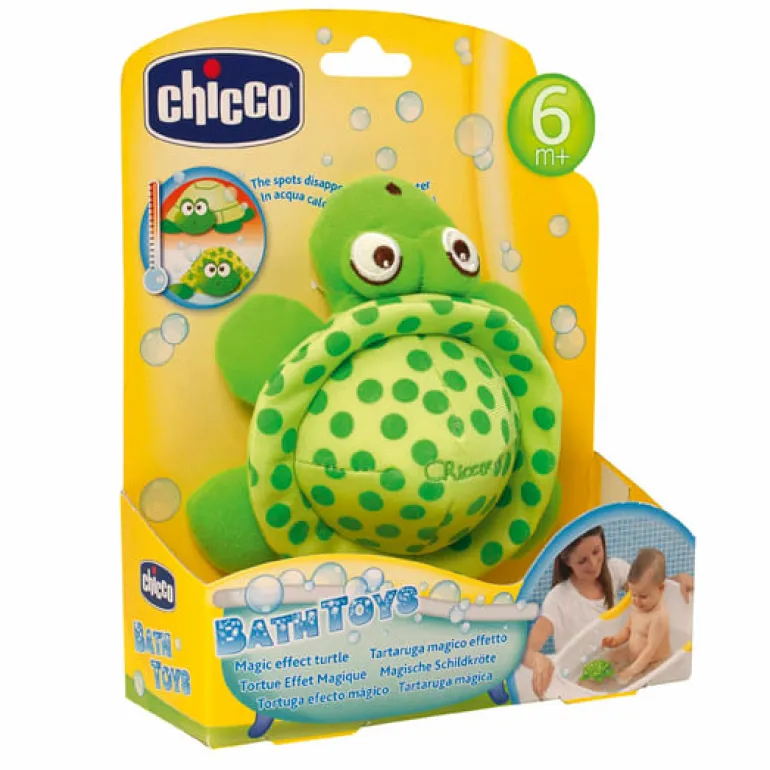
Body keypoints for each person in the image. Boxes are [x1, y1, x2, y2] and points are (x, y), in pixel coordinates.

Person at [521, 526, 693, 699]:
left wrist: (678, 580)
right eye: (582, 561)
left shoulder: (615, 570)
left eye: (597, 551)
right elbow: (525, 650)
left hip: (622, 663)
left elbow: (648, 590)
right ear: (567, 561)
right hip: (579, 679)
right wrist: (537, 660)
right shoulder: (558, 599)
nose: (593, 564)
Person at [602, 548, 671, 684]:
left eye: (643, 596)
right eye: (633, 595)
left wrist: (631, 670)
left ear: (661, 589)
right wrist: (616, 640)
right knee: (609, 659)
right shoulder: (637, 607)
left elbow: (650, 650)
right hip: (633, 656)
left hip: (652, 664)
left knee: (638, 683)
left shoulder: (658, 618)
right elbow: (628, 629)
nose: (637, 601)